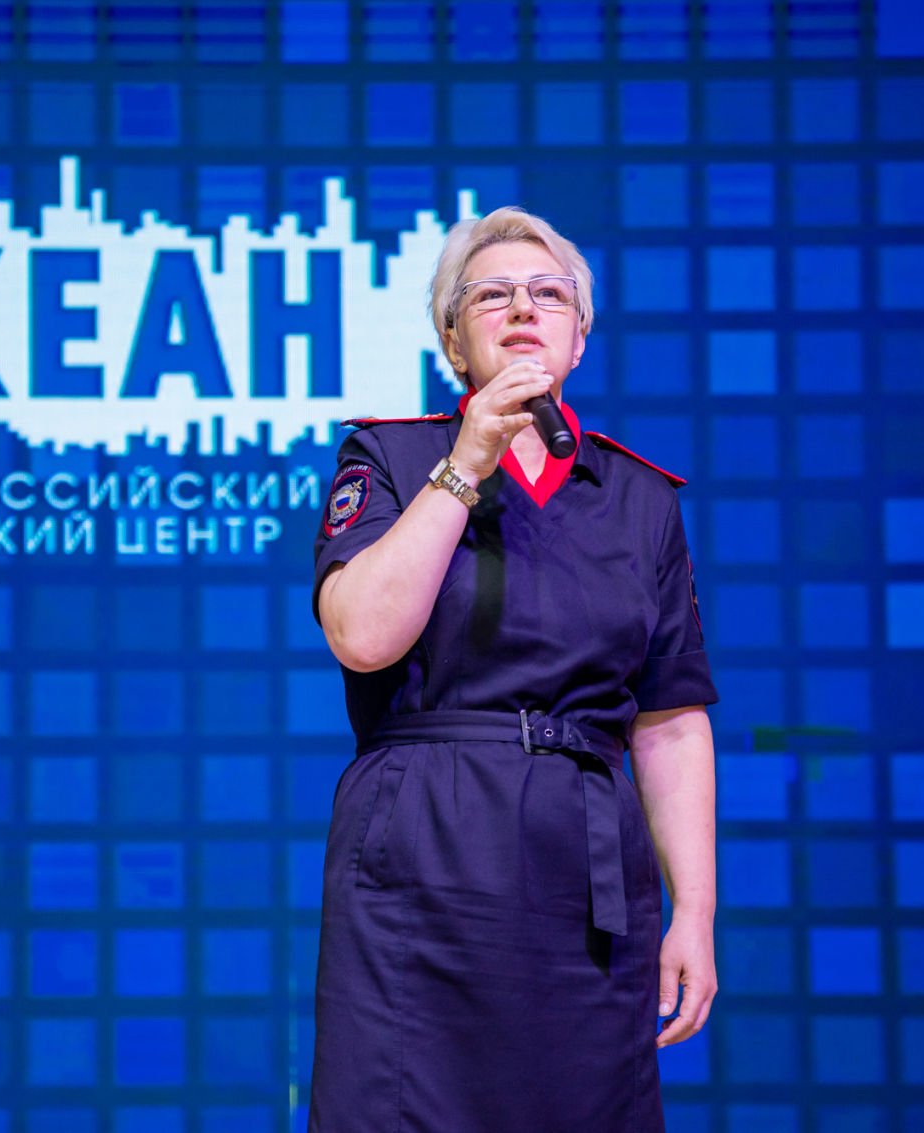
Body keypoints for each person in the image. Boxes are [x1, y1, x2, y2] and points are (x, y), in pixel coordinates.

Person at [308, 206, 719, 1131]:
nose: (524, 308)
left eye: (549, 294)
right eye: (492, 294)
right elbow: (362, 636)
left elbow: (670, 717)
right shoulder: (391, 457)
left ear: (580, 337)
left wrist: (693, 911)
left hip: (583, 865)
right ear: (454, 340)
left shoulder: (640, 497)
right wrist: (465, 464)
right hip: (424, 844)